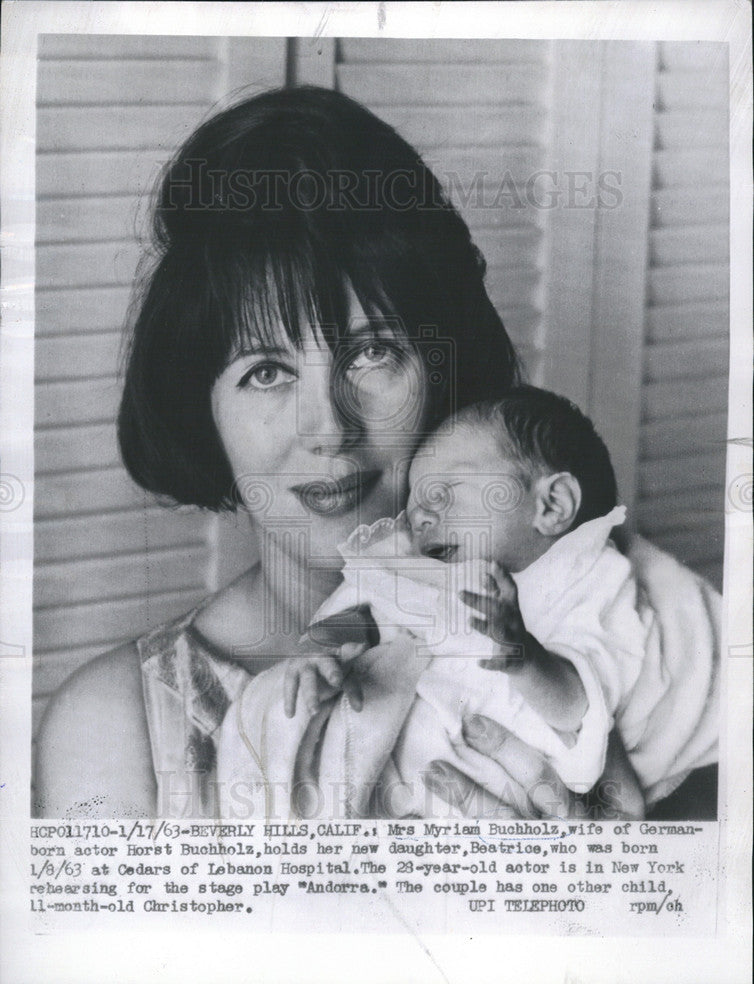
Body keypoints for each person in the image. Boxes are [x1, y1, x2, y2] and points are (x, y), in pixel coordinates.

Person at [33, 85, 718, 821]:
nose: (329, 428)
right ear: (202, 410)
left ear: (442, 369)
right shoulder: (116, 727)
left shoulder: (620, 624)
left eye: (372, 353)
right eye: (266, 372)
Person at [265, 389, 718, 818]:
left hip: (505, 799)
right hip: (396, 780)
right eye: (415, 503)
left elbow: (578, 708)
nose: (418, 517)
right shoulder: (427, 567)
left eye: (443, 493)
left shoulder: (590, 579)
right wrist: (319, 650)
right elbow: (368, 609)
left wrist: (524, 657)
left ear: (552, 505)